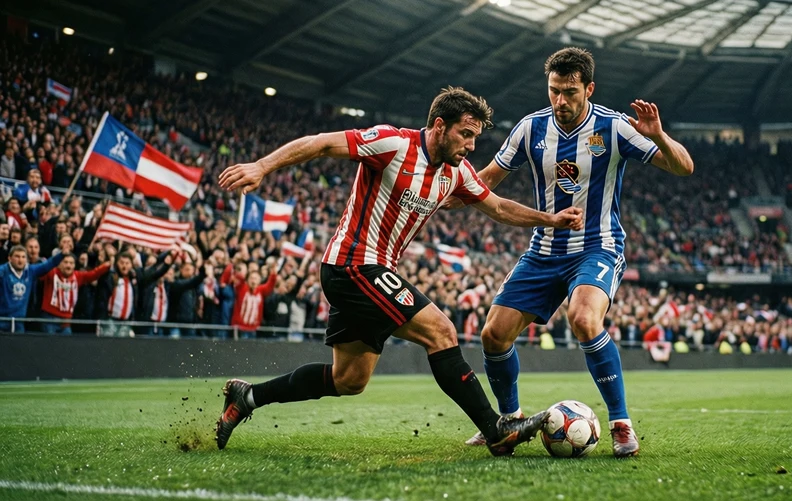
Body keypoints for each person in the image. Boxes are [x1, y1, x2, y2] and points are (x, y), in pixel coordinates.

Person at [215, 86, 584, 456]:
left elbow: (499, 207)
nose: (471, 146)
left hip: (370, 273)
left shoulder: (456, 173)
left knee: (348, 379)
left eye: (475, 137)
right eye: (466, 134)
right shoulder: (393, 144)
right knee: (441, 331)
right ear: (439, 126)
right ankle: (496, 430)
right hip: (353, 264)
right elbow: (323, 142)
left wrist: (550, 219)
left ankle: (247, 397)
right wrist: (261, 166)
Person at [455, 47, 694, 458]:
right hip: (544, 250)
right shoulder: (531, 129)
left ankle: (621, 425)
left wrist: (659, 136)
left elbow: (683, 168)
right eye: (553, 91)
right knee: (493, 334)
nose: (560, 101)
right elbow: (485, 180)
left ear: (589, 88)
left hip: (598, 246)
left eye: (569, 92)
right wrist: (436, 194)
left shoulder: (615, 127)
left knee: (583, 318)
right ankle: (508, 421)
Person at [37, 253, 110, 334]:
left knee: (68, 346)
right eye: (65, 262)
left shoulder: (78, 276)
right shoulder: (50, 273)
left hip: (66, 322)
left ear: (75, 265)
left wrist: (105, 266)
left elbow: (93, 274)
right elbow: (39, 272)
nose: (68, 265)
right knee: (49, 345)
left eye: (71, 263)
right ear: (59, 264)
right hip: (49, 319)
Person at [0, 245, 64, 332]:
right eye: (17, 256)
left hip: (19, 321)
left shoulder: (30, 271)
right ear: (9, 258)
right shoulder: (2, 271)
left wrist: (62, 254)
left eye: (23, 257)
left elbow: (47, 265)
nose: (20, 260)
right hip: (2, 320)